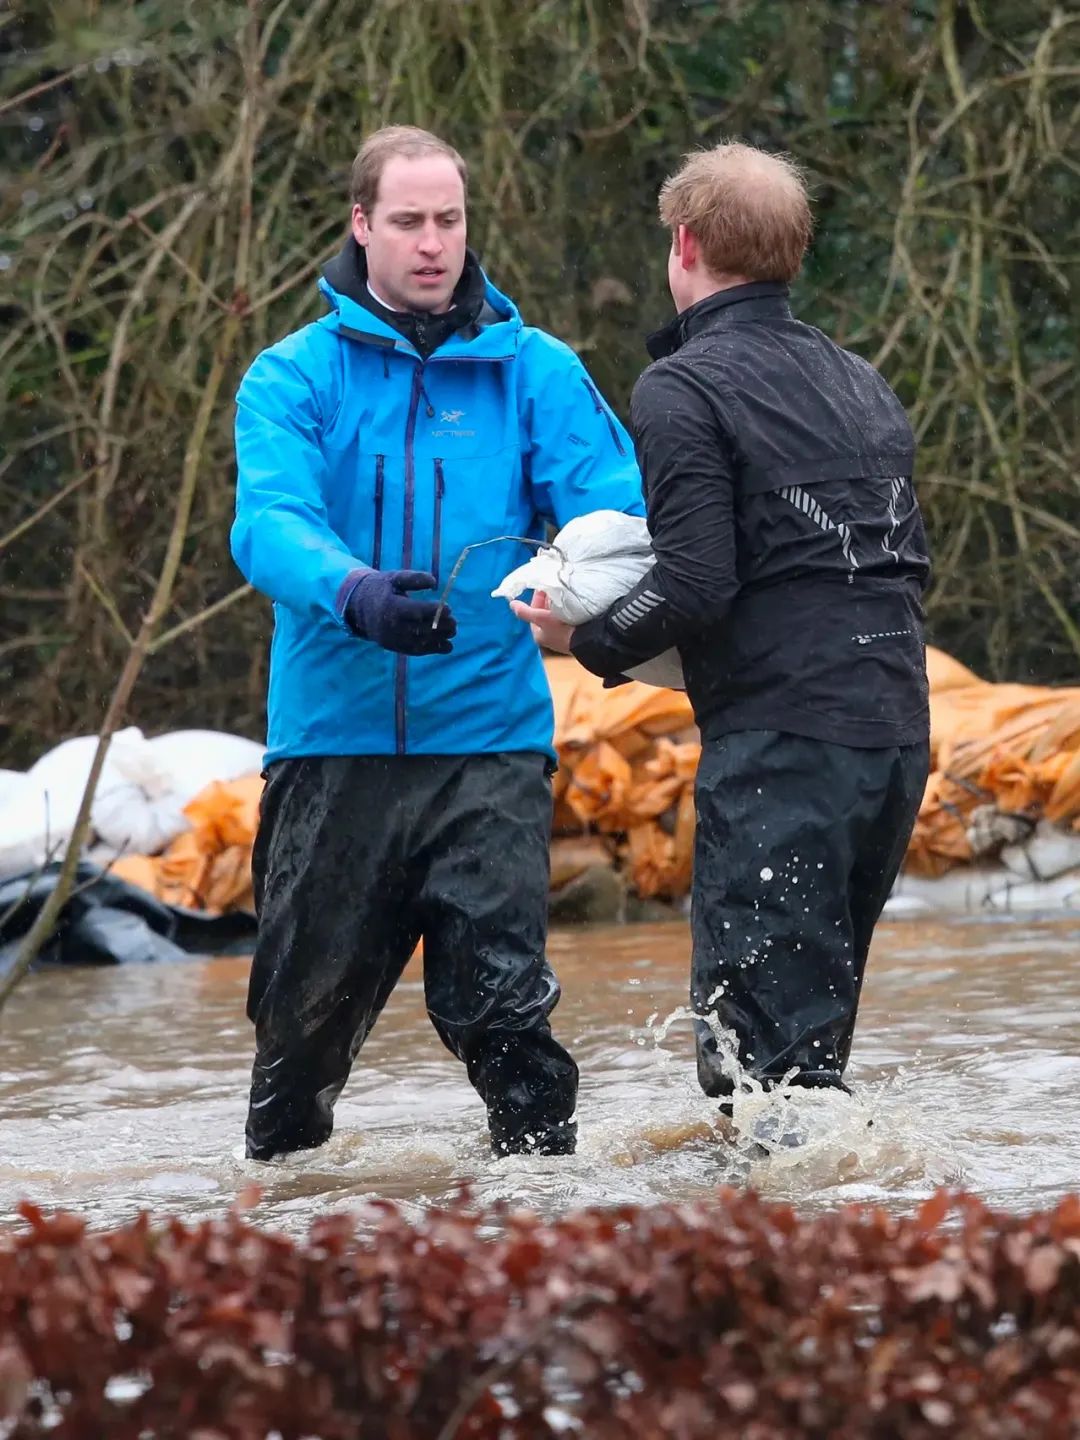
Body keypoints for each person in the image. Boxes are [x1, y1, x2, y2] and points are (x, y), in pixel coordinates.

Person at [232, 125, 642, 1161]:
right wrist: (355, 591)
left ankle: (541, 1228)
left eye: (448, 220)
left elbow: (613, 512)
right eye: (408, 221)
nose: (431, 243)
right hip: (333, 746)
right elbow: (268, 524)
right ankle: (276, 1238)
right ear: (361, 225)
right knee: (299, 1039)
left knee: (506, 1020)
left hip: (490, 745)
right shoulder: (291, 377)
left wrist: (568, 590)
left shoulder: (537, 371)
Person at [515, 142, 931, 1128]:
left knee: (753, 1062)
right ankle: (859, 1250)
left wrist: (588, 642)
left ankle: (773, 1262)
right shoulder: (863, 381)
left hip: (784, 751)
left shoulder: (683, 389)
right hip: (894, 737)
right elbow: (898, 563)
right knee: (809, 1051)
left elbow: (700, 583)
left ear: (686, 244)